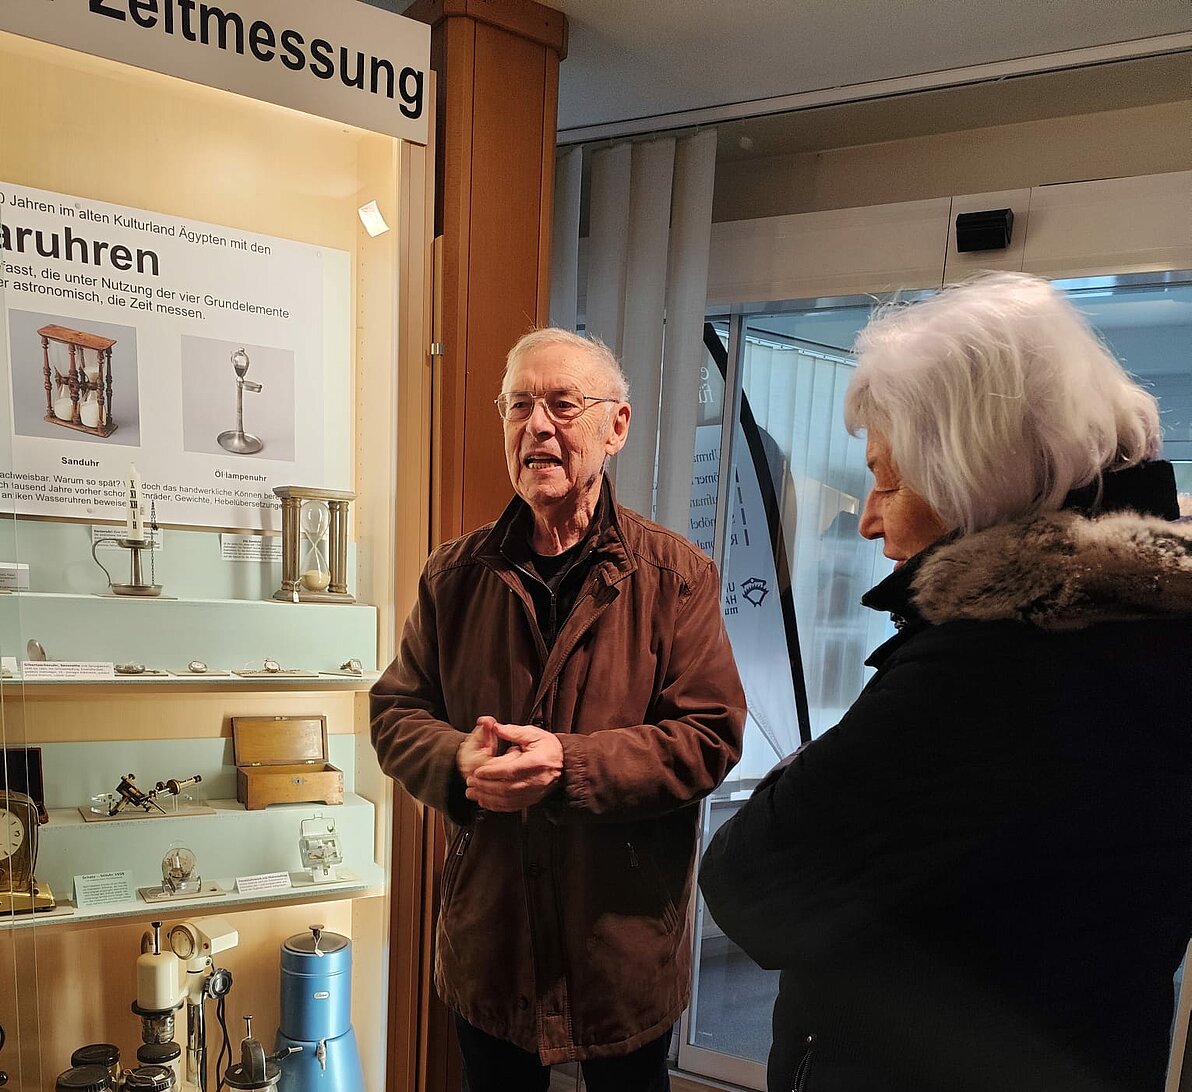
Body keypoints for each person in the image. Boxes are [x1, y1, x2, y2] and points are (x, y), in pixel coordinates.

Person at [699, 272, 1192, 1092]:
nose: (867, 518)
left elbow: (748, 885)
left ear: (974, 473)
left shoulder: (994, 665)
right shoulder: (1150, 629)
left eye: (888, 480)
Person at [371, 328, 746, 1092]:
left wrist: (569, 767)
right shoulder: (454, 575)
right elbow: (396, 712)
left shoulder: (676, 577)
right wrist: (456, 759)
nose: (537, 426)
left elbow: (709, 735)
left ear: (616, 427)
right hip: (491, 938)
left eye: (562, 405)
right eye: (519, 406)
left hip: (623, 944)